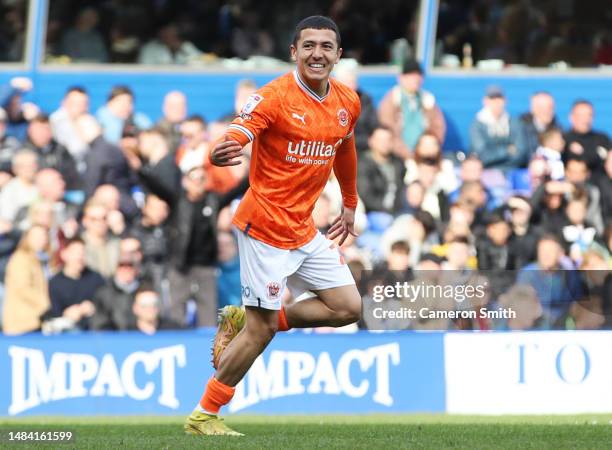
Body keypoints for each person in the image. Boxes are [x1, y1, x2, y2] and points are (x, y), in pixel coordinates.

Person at [184, 16, 362, 436]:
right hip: (264, 226)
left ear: (338, 55)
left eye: (326, 46)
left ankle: (244, 321)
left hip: (301, 227)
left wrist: (350, 203)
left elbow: (346, 149)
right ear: (294, 53)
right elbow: (241, 128)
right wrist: (222, 148)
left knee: (347, 308)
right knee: (261, 333)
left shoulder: (347, 101)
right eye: (309, 46)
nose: (317, 53)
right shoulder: (273, 97)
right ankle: (204, 415)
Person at [377, 59, 445, 158]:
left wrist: (429, 148)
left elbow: (438, 127)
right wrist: (406, 154)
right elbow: (388, 131)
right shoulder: (391, 100)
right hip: (397, 157)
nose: (415, 79)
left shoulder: (428, 100)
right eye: (411, 76)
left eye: (418, 76)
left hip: (424, 157)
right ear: (401, 78)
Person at [2, 225, 52, 335]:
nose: (41, 240)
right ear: (27, 238)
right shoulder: (21, 259)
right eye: (36, 236)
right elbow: (23, 288)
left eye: (43, 236)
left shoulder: (41, 259)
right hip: (22, 322)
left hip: (37, 318)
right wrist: (47, 303)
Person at [468, 85, 528, 171]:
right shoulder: (477, 125)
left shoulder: (514, 123)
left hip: (511, 171)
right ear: (485, 101)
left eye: (499, 98)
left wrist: (500, 164)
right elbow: (483, 156)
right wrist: (508, 150)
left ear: (505, 101)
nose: (496, 102)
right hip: (485, 172)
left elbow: (521, 153)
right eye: (492, 99)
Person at [563, 100, 609, 176]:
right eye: (581, 115)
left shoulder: (602, 139)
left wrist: (582, 153)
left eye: (589, 115)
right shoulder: (563, 140)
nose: (585, 119)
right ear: (571, 117)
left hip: (600, 184)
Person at [50, 86, 90, 169]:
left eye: (84, 104)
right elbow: (75, 149)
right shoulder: (57, 121)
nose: (82, 108)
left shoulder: (87, 120)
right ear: (64, 103)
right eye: (76, 104)